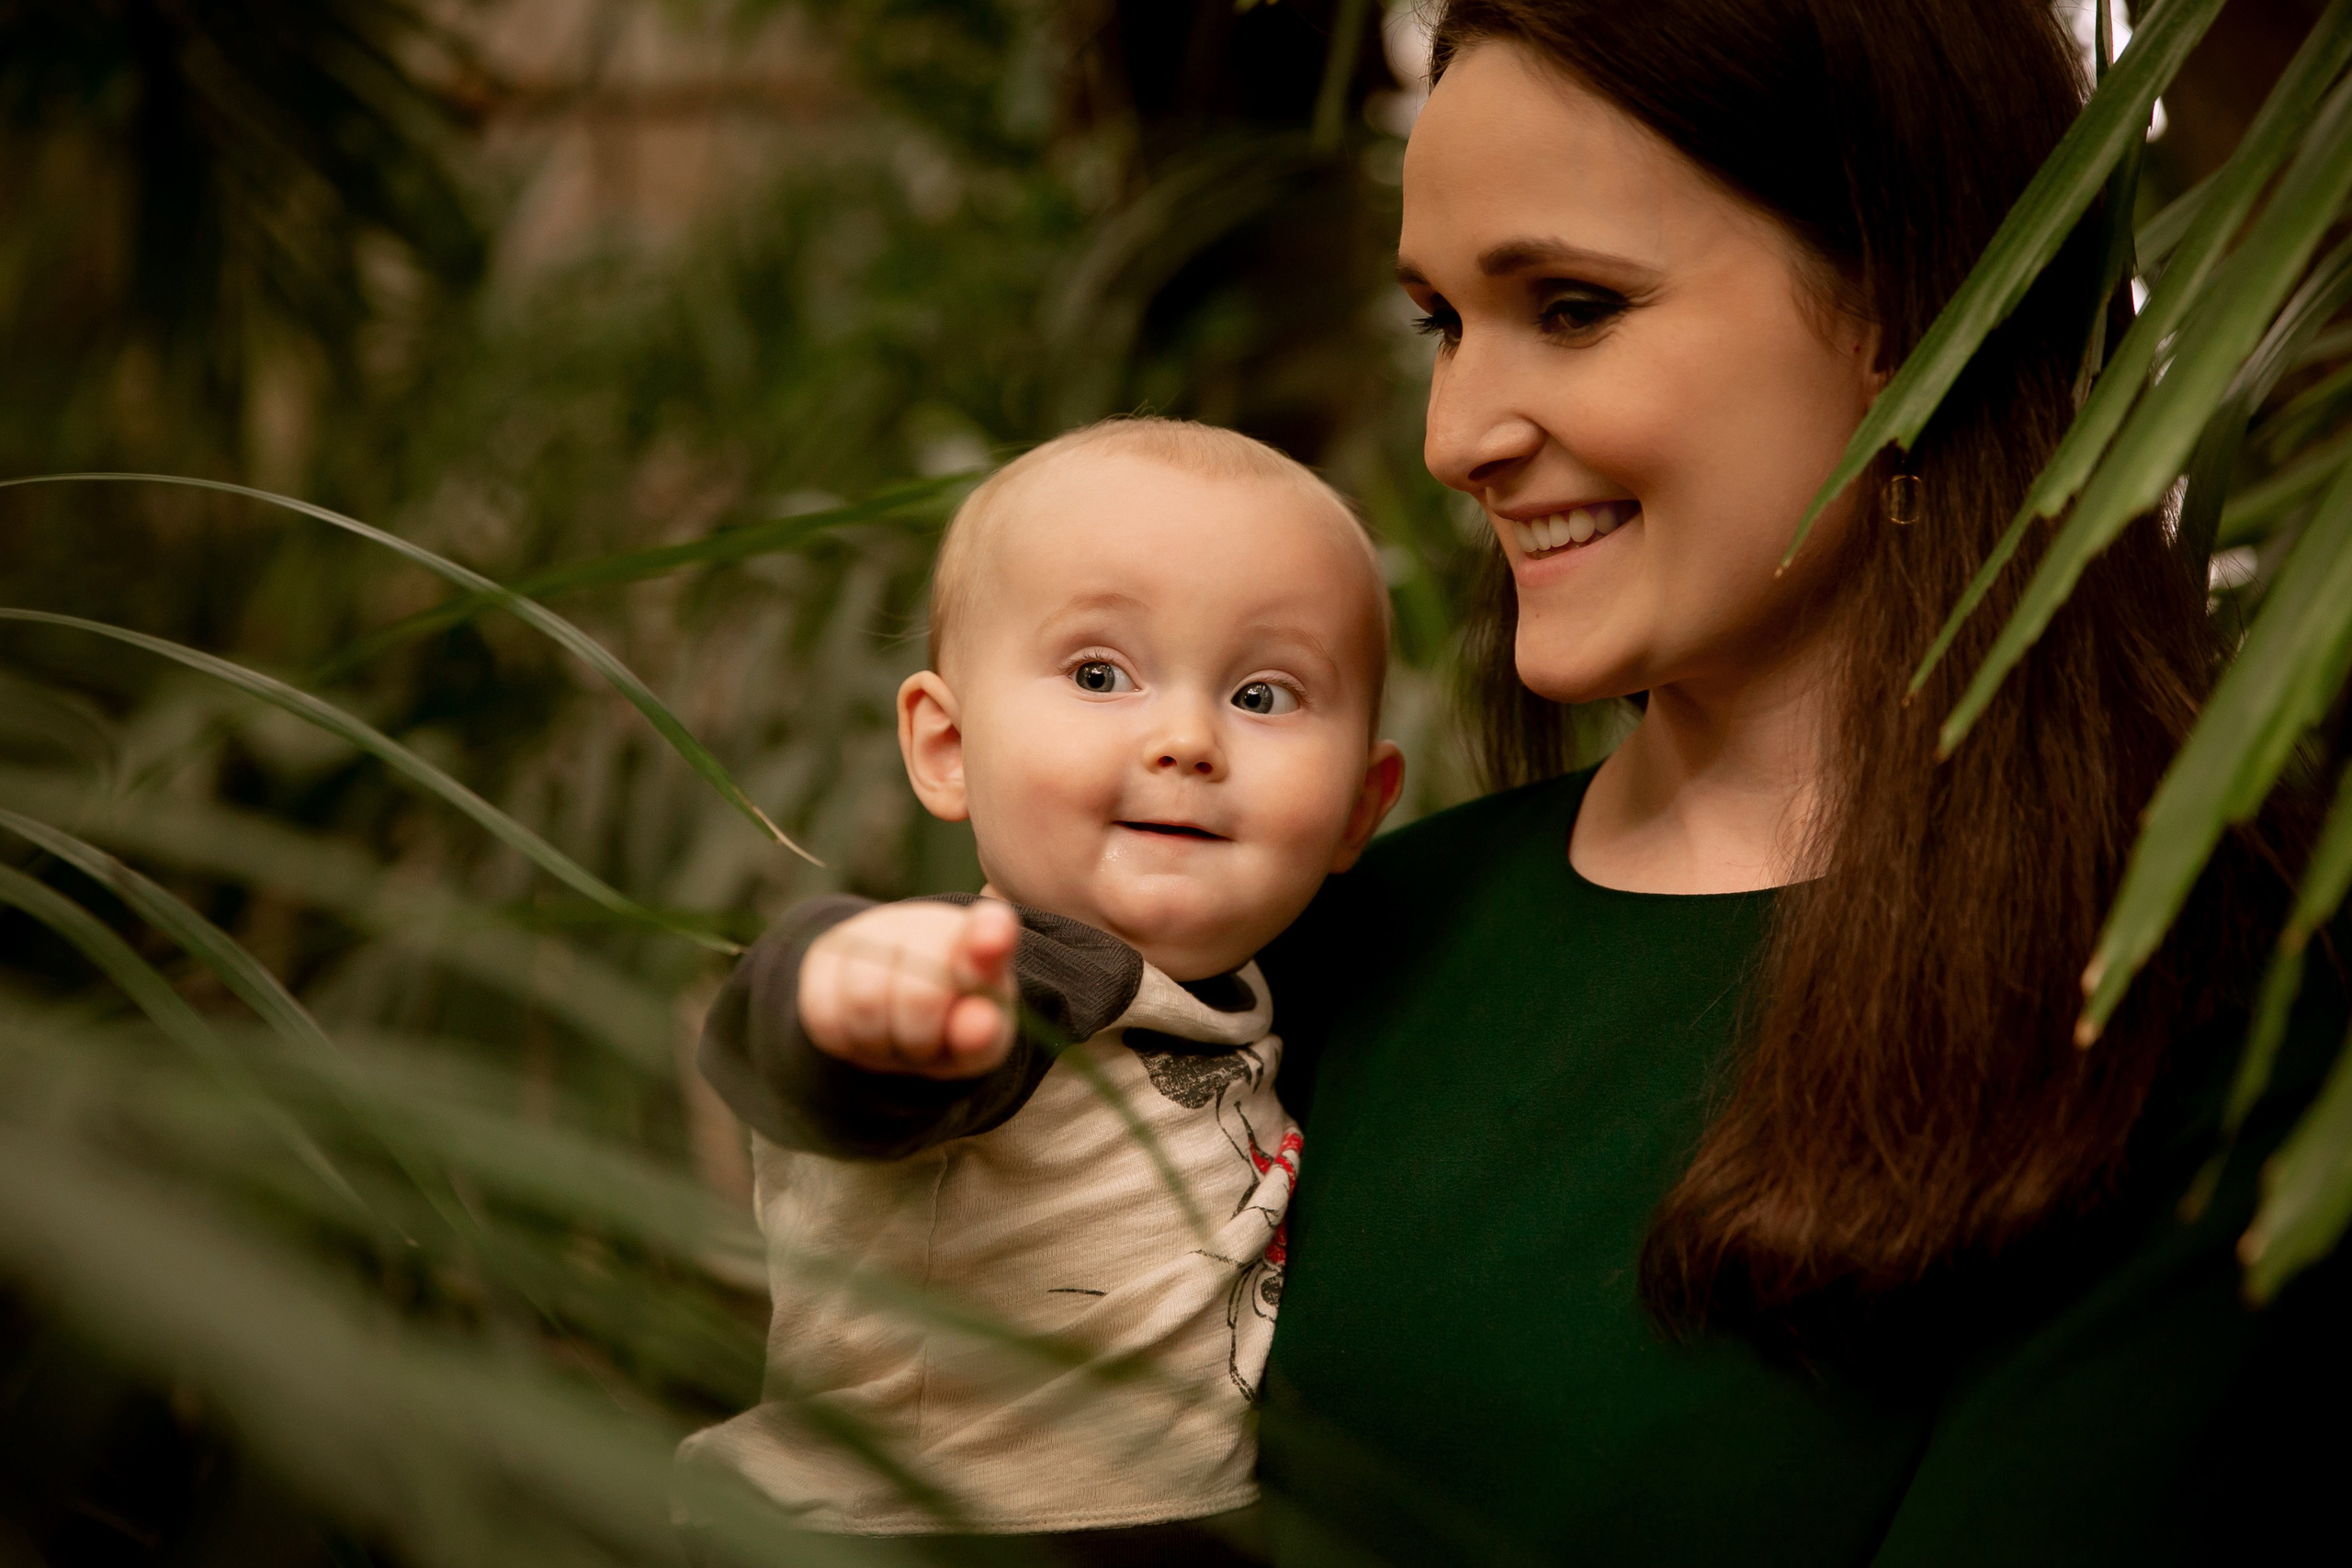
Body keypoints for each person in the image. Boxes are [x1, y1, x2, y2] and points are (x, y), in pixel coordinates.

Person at [800, 2, 2352, 1563]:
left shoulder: (2197, 1010)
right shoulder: (1320, 938)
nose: (1457, 434)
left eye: (1574, 304)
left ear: (1906, 304)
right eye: (1442, 323)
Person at [678, 417, 1403, 1561]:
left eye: (1262, 696)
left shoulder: (1263, 992)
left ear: (1362, 806)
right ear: (948, 747)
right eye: (1100, 673)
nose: (1186, 739)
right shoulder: (1024, 974)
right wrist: (848, 1001)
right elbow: (817, 1060)